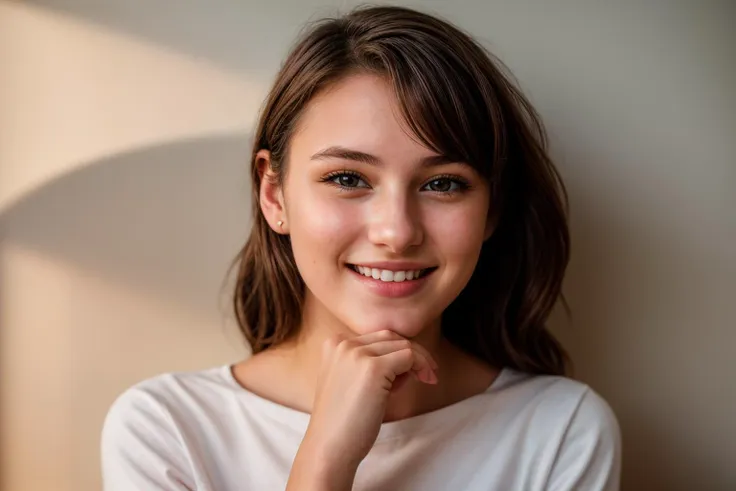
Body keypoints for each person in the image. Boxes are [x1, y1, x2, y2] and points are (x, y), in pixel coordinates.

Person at [101, 5, 621, 490]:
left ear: (492, 210)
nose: (396, 232)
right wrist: (325, 460)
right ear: (274, 193)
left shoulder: (561, 432)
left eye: (442, 184)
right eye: (348, 177)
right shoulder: (166, 431)